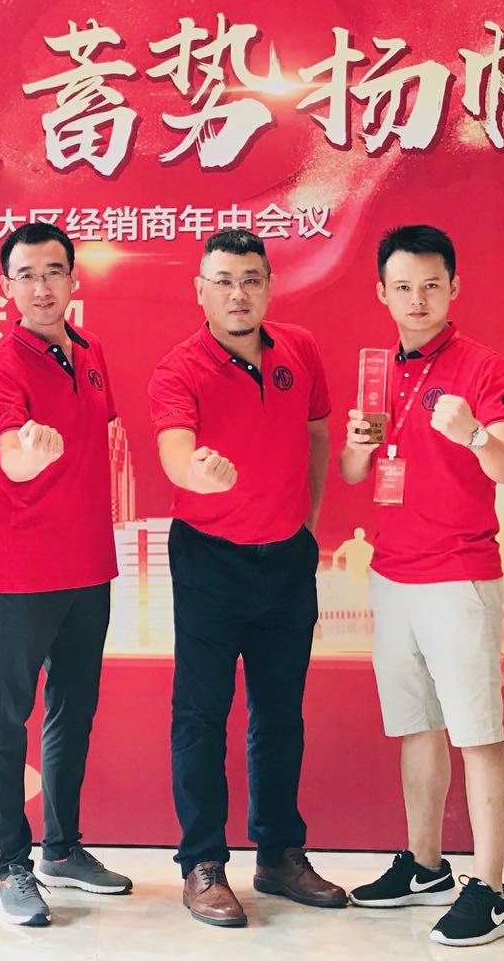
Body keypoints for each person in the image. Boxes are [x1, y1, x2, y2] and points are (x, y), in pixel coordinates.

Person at [338, 225, 504, 946]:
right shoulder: (379, 369)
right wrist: (357, 449)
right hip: (392, 574)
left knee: (477, 732)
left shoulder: (482, 365)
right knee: (416, 726)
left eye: (431, 285)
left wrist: (474, 433)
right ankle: (424, 867)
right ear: (382, 292)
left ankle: (492, 889)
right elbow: (355, 474)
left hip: (459, 576)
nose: (417, 300)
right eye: (404, 287)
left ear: (454, 288)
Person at [148, 228, 339, 928]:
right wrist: (197, 472)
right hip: (210, 559)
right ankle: (202, 862)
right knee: (201, 714)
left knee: (280, 713)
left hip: (286, 557)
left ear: (269, 287)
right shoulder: (179, 369)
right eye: (224, 281)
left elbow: (316, 432)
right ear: (200, 291)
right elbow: (174, 451)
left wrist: (307, 518)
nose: (238, 293)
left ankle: (280, 853)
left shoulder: (300, 348)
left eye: (251, 279)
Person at [0, 222, 132, 927]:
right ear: (6, 287)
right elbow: (11, 454)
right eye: (26, 275)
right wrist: (28, 454)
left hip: (90, 565)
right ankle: (12, 864)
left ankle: (61, 849)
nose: (41, 287)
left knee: (74, 708)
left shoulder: (91, 351)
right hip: (25, 569)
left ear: (73, 278)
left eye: (53, 272)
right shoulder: (2, 366)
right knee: (8, 716)